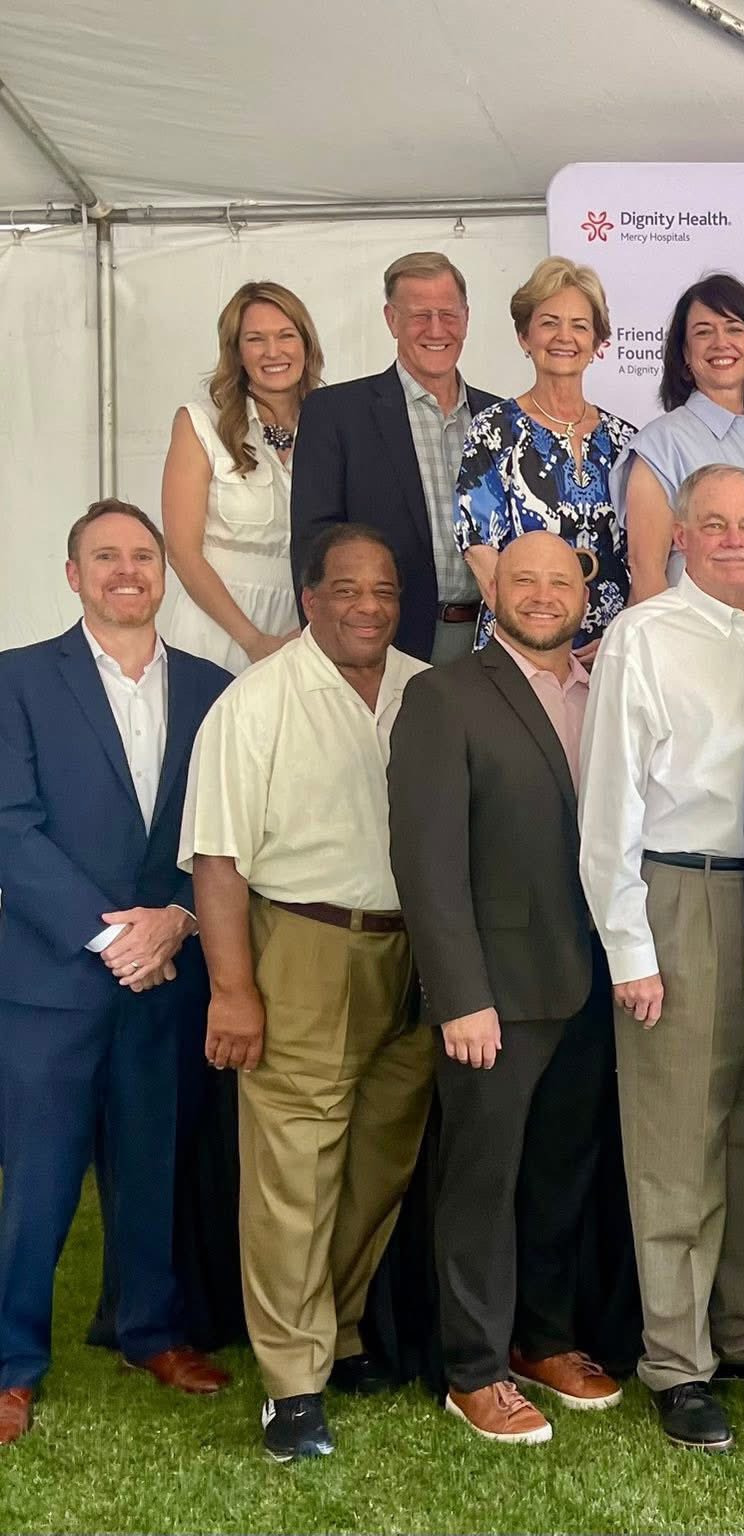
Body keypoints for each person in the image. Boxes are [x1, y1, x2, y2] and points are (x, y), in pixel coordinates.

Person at [578, 463, 744, 1455]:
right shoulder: (644, 636)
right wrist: (630, 949)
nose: (734, 539)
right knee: (676, 1141)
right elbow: (609, 806)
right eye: (714, 523)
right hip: (686, 895)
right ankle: (678, 1363)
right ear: (679, 536)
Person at [180, 525, 437, 1463]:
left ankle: (342, 1327)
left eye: (384, 591)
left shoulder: (424, 690)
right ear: (310, 599)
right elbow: (217, 860)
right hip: (303, 946)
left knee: (379, 1164)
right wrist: (232, 990)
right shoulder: (256, 702)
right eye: (347, 589)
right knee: (294, 1172)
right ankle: (292, 1385)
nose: (368, 606)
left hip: (417, 956)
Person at [0, 502, 234, 1448]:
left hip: (168, 971)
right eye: (106, 556)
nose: (127, 570)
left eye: (143, 555)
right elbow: (11, 827)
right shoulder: (16, 680)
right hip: (53, 981)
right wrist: (112, 941)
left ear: (164, 575)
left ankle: (147, 1332)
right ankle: (11, 1365)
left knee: (151, 1166)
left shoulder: (214, 690)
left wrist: (176, 920)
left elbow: (222, 830)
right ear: (74, 575)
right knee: (40, 1180)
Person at [387, 531, 623, 1446]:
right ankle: (474, 1369)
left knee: (563, 1172)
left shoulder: (609, 691)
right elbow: (427, 860)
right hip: (496, 992)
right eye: (524, 579)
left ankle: (543, 1339)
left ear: (585, 595)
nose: (542, 594)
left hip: (594, 980)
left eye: (560, 581)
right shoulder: (444, 695)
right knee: (480, 1183)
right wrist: (459, 995)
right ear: (493, 591)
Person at [291, 251, 500, 663]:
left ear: (467, 318)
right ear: (391, 320)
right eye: (420, 315)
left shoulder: (502, 419)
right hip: (384, 643)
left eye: (448, 314)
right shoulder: (336, 414)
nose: (436, 329)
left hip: (491, 641)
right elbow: (313, 547)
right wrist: (325, 649)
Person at [455, 257, 636, 658]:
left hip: (611, 647)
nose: (564, 337)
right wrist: (542, 641)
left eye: (580, 326)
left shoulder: (626, 440)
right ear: (525, 336)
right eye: (549, 322)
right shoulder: (493, 430)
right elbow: (482, 553)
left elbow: (643, 557)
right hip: (522, 641)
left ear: (597, 343)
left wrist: (621, 638)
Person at [617, 273, 744, 607]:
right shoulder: (659, 446)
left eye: (734, 329)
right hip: (693, 636)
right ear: (685, 354)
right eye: (703, 332)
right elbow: (646, 572)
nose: (720, 342)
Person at [159, 281, 322, 672]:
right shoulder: (200, 422)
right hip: (218, 626)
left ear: (306, 344)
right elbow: (182, 552)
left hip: (304, 629)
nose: (273, 352)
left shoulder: (332, 423)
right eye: (255, 339)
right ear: (236, 351)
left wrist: (313, 630)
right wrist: (253, 641)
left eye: (286, 336)